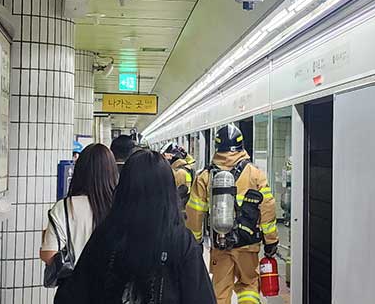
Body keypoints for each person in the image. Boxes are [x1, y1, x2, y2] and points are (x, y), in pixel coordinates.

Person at [54, 150, 216, 304]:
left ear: (123, 189)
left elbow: (71, 296)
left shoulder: (105, 236)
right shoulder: (181, 242)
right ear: (169, 192)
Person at [186, 124, 278, 304]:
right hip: (248, 244)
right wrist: (271, 240)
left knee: (220, 291)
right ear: (241, 145)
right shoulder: (255, 174)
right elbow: (268, 208)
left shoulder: (205, 175)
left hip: (220, 243)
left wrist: (195, 241)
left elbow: (195, 212)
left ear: (217, 146)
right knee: (249, 286)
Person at [41, 143, 118, 266]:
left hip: (75, 277)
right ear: (112, 172)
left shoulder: (64, 207)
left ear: (79, 171)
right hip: (111, 277)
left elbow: (49, 255)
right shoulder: (120, 206)